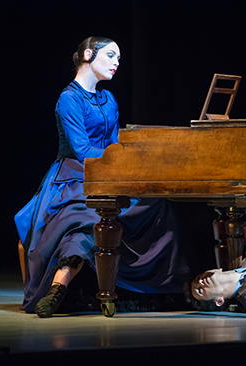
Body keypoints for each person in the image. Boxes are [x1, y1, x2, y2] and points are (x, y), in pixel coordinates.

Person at [15, 36, 190, 318]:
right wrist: (116, 157)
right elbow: (82, 149)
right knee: (82, 219)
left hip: (107, 173)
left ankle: (164, 288)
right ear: (88, 54)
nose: (117, 63)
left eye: (119, 58)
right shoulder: (69, 98)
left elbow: (113, 142)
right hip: (73, 175)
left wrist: (131, 156)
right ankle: (58, 288)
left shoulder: (109, 99)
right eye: (110, 55)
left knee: (157, 204)